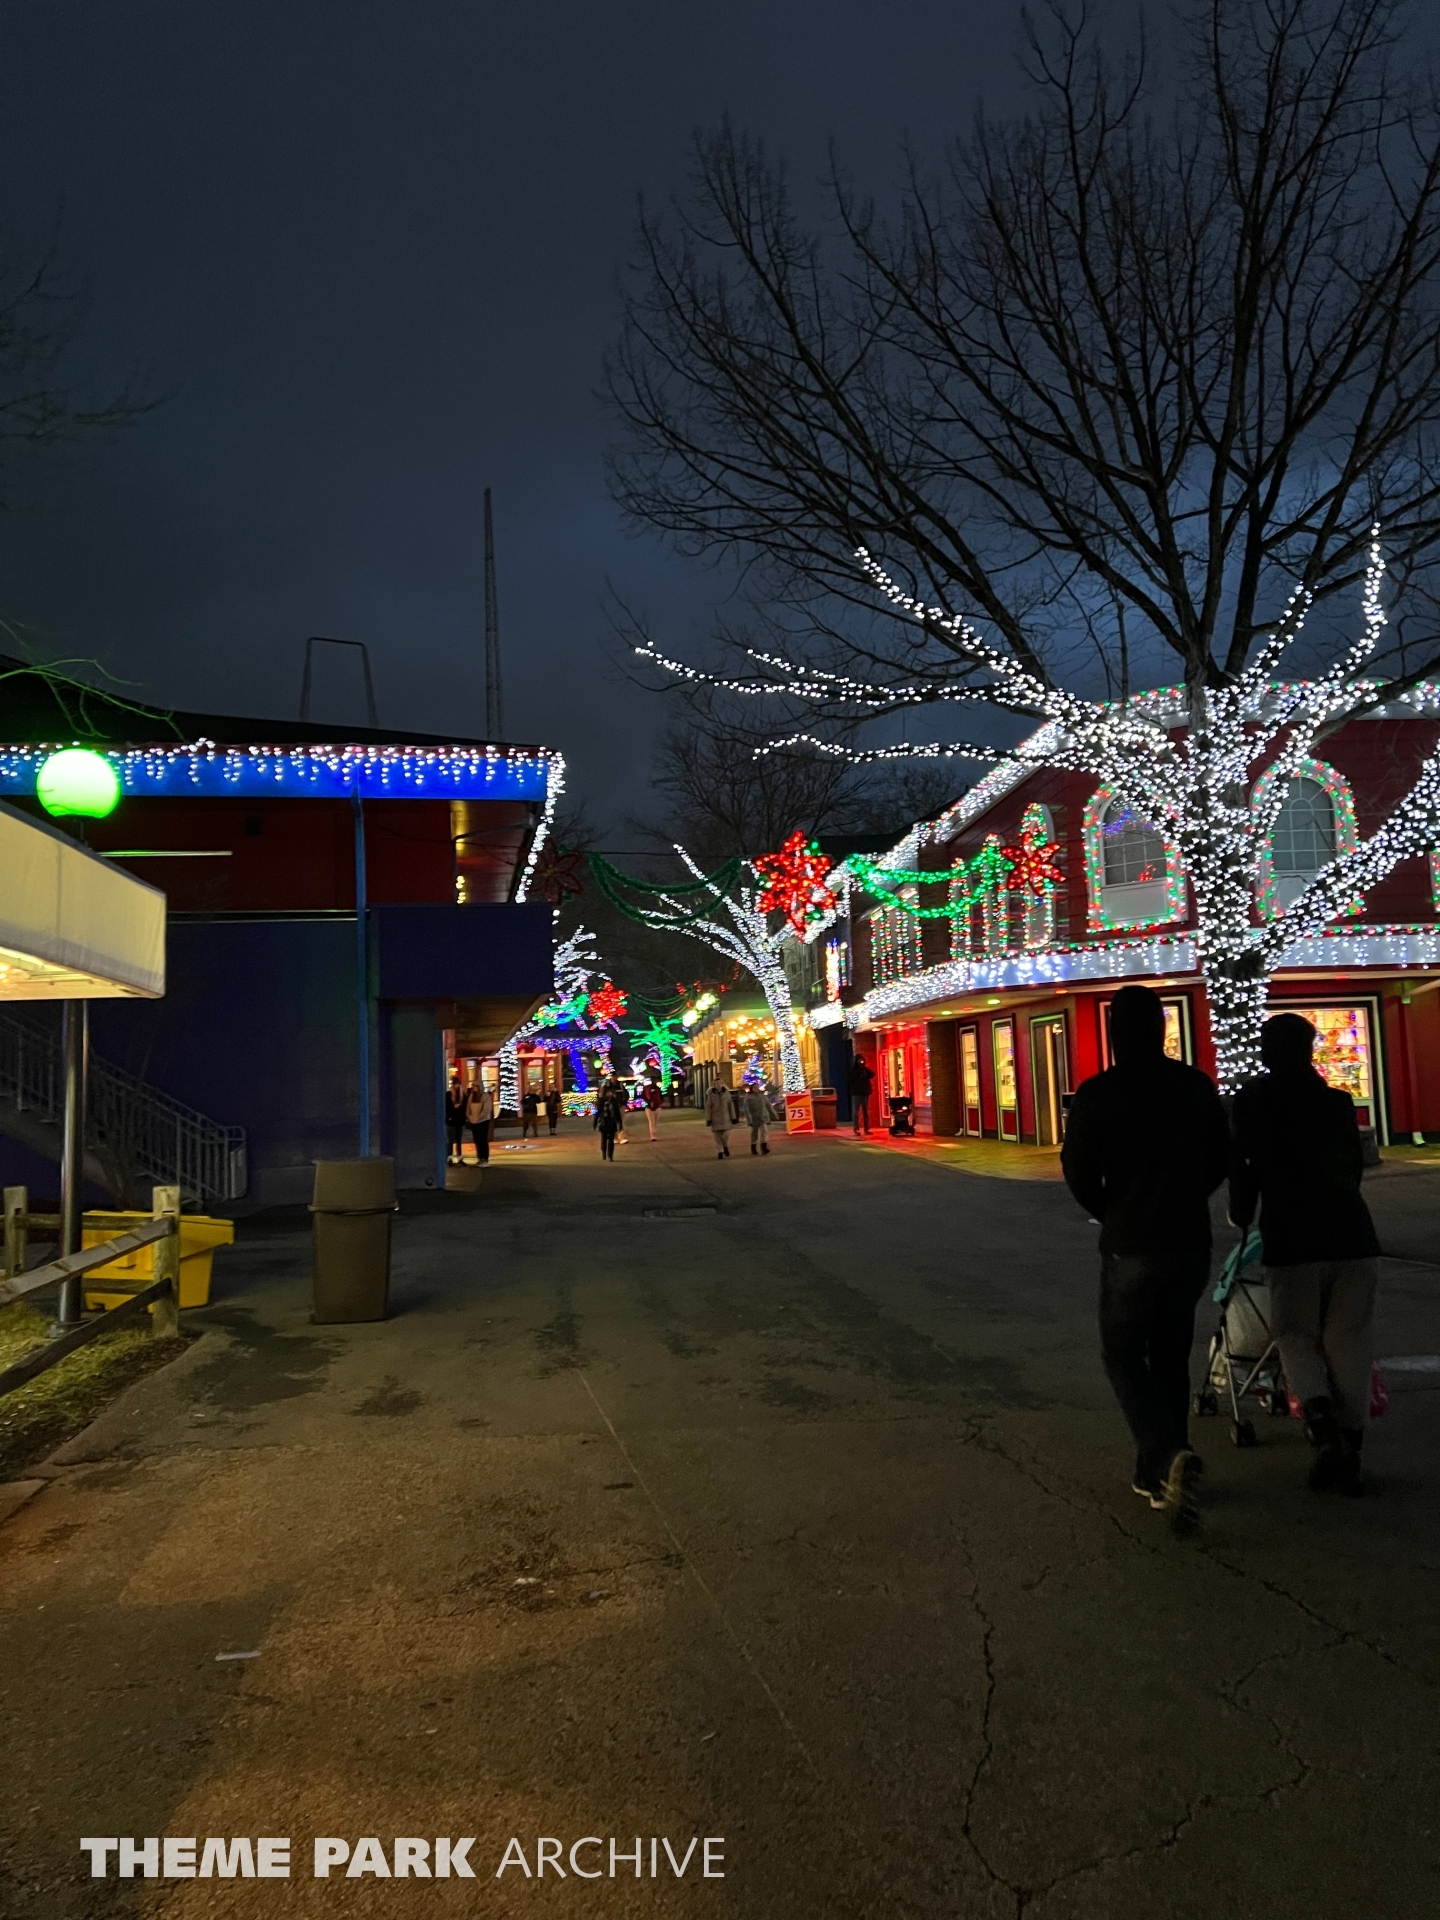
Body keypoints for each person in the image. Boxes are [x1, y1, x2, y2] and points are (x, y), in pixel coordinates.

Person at [1061, 984, 1230, 1524]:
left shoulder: (1098, 1094)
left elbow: (1077, 1170)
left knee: (1122, 1353)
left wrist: (1111, 1209)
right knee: (1171, 1354)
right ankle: (1158, 1475)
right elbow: (1221, 1156)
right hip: (1188, 1241)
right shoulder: (1195, 1086)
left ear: (1115, 1034)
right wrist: (1190, 1195)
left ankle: (1164, 1453)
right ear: (1161, 1028)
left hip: (1131, 1242)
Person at [1229, 1012, 1381, 1495]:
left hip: (1293, 1234)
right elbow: (1352, 1166)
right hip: (1352, 1233)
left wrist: (1241, 1214)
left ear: (1269, 1052)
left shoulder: (1254, 1101)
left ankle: (1321, 1424)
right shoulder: (1337, 1102)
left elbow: (1243, 1167)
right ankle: (1351, 1447)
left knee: (1293, 1333)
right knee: (1348, 1341)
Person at [705, 1079, 738, 1158]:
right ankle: (720, 1151)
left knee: (726, 1135)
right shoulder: (711, 1095)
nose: (718, 1085)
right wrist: (708, 1119)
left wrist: (733, 1117)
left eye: (720, 1083)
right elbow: (708, 1107)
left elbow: (730, 1106)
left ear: (722, 1084)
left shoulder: (727, 1094)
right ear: (714, 1085)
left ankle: (725, 1146)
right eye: (716, 1083)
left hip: (725, 1117)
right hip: (715, 1118)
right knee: (717, 1137)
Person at [465, 1079, 493, 1165]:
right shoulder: (471, 1096)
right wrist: (470, 1117)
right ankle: (480, 1157)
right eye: (473, 1086)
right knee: (477, 1140)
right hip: (474, 1121)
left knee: (483, 1140)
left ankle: (484, 1158)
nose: (474, 1088)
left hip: (483, 1121)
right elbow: (468, 1108)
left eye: (476, 1086)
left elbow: (487, 1109)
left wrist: (479, 1117)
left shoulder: (485, 1096)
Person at [594, 1081, 624, 1161]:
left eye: (611, 1092)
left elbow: (617, 1113)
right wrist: (595, 1123)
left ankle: (610, 1155)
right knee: (604, 1139)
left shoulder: (614, 1101)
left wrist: (620, 1123)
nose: (609, 1093)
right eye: (608, 1092)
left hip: (612, 1122)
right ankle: (604, 1152)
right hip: (604, 1122)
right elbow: (598, 1113)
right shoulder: (601, 1101)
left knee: (611, 1140)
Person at [849, 1055, 874, 1136]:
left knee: (865, 1111)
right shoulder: (853, 1071)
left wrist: (864, 1068)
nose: (861, 1062)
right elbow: (850, 1079)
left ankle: (867, 1129)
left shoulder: (865, 1070)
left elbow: (872, 1074)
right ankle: (856, 1128)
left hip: (865, 1093)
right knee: (855, 1111)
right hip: (856, 1093)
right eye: (859, 1060)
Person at [445, 1078, 468, 1164]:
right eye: (455, 1084)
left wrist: (464, 1117)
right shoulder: (449, 1094)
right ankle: (449, 1157)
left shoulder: (463, 1095)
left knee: (459, 1139)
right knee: (450, 1140)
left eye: (457, 1084)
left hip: (459, 1120)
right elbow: (446, 1107)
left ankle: (459, 1157)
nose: (456, 1086)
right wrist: (452, 1110)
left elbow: (465, 1107)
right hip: (451, 1120)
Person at [743, 1083, 770, 1156]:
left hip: (762, 1117)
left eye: (757, 1087)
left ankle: (764, 1147)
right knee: (754, 1133)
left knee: (764, 1132)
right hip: (754, 1118)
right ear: (752, 1088)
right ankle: (753, 1147)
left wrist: (773, 1114)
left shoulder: (762, 1096)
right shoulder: (748, 1097)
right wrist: (749, 1119)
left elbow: (768, 1105)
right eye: (755, 1087)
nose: (757, 1088)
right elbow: (746, 1109)